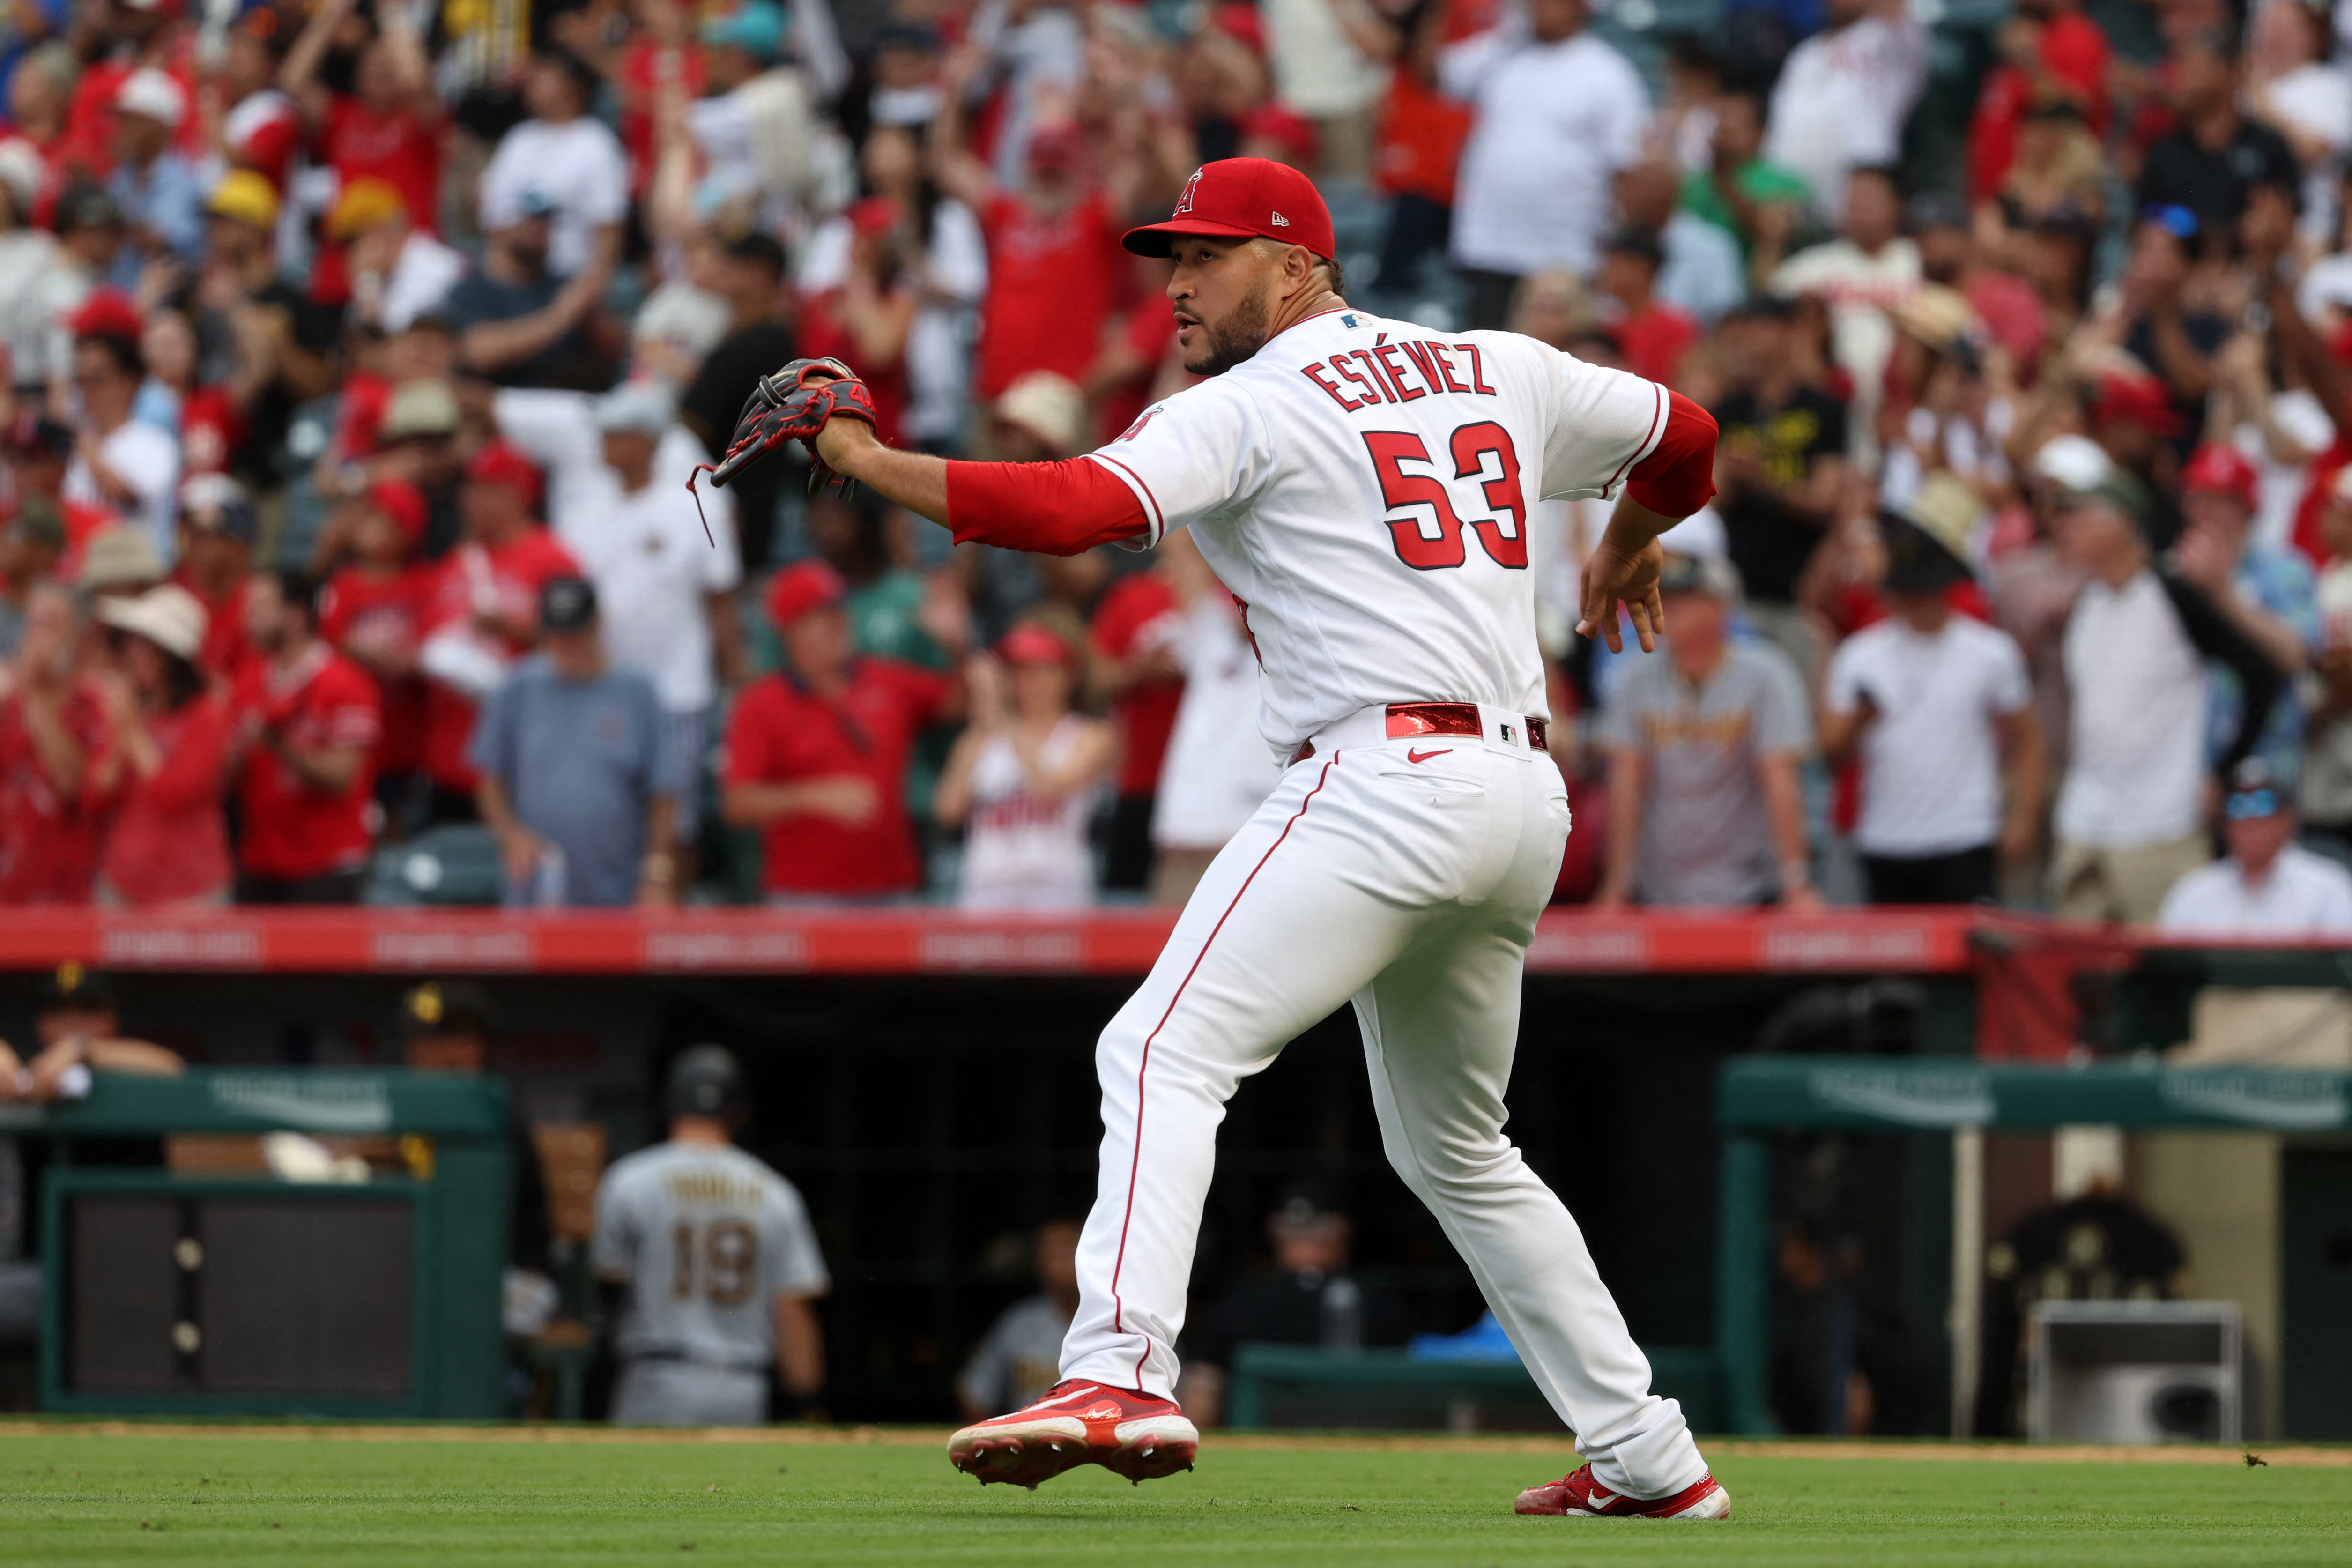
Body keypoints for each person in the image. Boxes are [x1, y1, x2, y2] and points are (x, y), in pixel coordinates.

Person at [786, 156, 1730, 1516]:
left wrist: (868, 460)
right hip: (1519, 797)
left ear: (1296, 268)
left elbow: (1070, 513)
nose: (1176, 283)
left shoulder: (1250, 402)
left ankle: (1117, 1366)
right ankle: (1645, 1453)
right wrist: (1629, 542)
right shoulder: (1493, 363)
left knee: (1159, 1046)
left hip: (1382, 777)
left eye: (1208, 256)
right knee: (1456, 1147)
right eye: (1170, 257)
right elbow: (1686, 439)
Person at [490, 380, 745, 847]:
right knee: (611, 814)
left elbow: (722, 605)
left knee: (674, 825)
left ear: (649, 440)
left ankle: (669, 915)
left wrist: (735, 690)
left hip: (676, 691)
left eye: (617, 432)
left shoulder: (697, 504)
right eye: (602, 432)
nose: (603, 441)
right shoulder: (583, 511)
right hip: (600, 691)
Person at [2050, 471, 2284, 922]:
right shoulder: (2086, 603)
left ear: (2118, 523)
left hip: (2159, 822)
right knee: (2072, 968)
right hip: (2083, 819)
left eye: (2076, 519)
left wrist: (2223, 769)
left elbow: (2262, 674)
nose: (2063, 530)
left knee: (2164, 970)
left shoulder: (2172, 594)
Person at [1820, 479, 2045, 904]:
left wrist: (2022, 818)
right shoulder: (1859, 657)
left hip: (1966, 835)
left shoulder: (1990, 652)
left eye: (1921, 590)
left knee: (1966, 966)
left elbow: (2028, 736)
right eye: (1905, 591)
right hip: (1885, 838)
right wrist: (1859, 721)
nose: (1913, 601)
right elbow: (1831, 754)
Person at [592, 1045, 829, 1427]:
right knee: (726, 1490)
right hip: (741, 1384)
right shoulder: (774, 1191)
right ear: (739, 1110)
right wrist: (808, 1402)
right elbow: (792, 1307)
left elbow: (607, 1286)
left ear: (669, 1103)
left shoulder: (628, 1179)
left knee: (636, 1490)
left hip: (655, 1374)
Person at [720, 561, 957, 904]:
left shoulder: (885, 678)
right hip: (805, 900)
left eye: (839, 611)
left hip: (892, 893)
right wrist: (812, 797)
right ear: (791, 631)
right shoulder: (760, 704)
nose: (838, 623)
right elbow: (737, 804)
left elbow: (959, 704)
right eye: (821, 615)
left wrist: (955, 644)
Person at [1595, 552, 1819, 909]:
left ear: (1719, 607)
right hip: (1659, 888)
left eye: (1681, 599)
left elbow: (1780, 782)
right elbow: (1626, 785)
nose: (1665, 608)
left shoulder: (1767, 675)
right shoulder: (1635, 678)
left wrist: (1796, 883)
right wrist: (1616, 886)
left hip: (1751, 887)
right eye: (1661, 598)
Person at [469, 577, 682, 909]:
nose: (566, 643)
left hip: (619, 889)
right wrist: (510, 835)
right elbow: (489, 779)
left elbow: (663, 794)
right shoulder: (517, 688)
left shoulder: (638, 692)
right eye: (557, 633)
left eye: (576, 632)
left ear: (597, 624)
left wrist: (656, 875)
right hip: (534, 890)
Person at [1441, 0, 1648, 330]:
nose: (1541, 8)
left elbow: (1626, 168)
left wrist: (1612, 248)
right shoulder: (1501, 53)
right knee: (1485, 361)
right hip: (1491, 245)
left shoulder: (1608, 72)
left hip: (1565, 253)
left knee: (1556, 362)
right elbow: (1435, 75)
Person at [1176, 1187, 1410, 1428]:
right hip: (1364, 1448)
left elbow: (1201, 1399)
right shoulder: (1381, 1306)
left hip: (1261, 1455)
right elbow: (1423, 1398)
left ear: (1274, 1229)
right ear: (1342, 1231)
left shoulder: (1238, 1305)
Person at [935, 621, 1114, 911]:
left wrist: (1004, 720)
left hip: (1056, 889)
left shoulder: (1090, 735)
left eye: (1037, 670)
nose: (1025, 681)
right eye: (1016, 672)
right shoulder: (981, 738)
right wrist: (985, 726)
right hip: (988, 887)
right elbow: (948, 810)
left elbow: (1050, 790)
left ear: (1067, 675)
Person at [232, 569, 382, 904]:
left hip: (327, 865)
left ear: (297, 614)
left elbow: (342, 777)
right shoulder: (250, 676)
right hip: (261, 861)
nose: (250, 618)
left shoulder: (345, 682)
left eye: (262, 608)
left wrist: (279, 744)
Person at [88, 583, 232, 907]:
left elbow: (174, 795)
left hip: (190, 892)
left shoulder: (206, 715)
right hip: (122, 883)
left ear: (172, 658)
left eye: (146, 647)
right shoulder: (127, 708)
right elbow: (96, 796)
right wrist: (119, 739)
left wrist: (132, 735)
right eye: (131, 645)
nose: (132, 656)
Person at [678, 231, 796, 572]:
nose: (719, 270)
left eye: (731, 264)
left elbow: (692, 428)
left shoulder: (756, 347)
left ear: (759, 273)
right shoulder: (767, 338)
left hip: (734, 506)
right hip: (742, 502)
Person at [1762, 0, 1927, 227]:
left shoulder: (1885, 38)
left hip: (1861, 195)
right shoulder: (1805, 52)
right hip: (1794, 201)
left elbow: (1896, 12)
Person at [476, 47, 628, 286]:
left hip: (568, 279)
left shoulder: (596, 144)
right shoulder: (519, 139)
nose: (533, 82)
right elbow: (490, 212)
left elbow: (608, 227)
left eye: (545, 75)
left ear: (574, 87)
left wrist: (595, 286)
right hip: (511, 276)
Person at [2137, 28, 2300, 243]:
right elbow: (2146, 221)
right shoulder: (2165, 152)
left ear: (2229, 72)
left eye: (2194, 69)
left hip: (2248, 268)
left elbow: (2289, 219)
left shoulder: (2268, 147)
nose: (2183, 81)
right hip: (2179, 268)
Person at [2159, 760, 2352, 935]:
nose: (2250, 820)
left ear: (2289, 819)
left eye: (2264, 803)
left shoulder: (2328, 886)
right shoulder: (2193, 892)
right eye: (2236, 806)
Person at [0, 584, 105, 903]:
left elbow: (72, 783)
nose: (37, 637)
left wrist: (36, 698)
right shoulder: (8, 700)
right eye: (32, 624)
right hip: (9, 888)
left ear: (75, 636)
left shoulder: (93, 701)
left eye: (50, 625)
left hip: (65, 897)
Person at [62, 291, 178, 561]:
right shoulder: (85, 440)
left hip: (136, 579)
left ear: (131, 379)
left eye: (97, 379)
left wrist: (90, 452)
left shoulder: (155, 441)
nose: (87, 390)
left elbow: (126, 495)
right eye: (81, 380)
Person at [957, 1218, 1084, 1424]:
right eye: (1047, 1250)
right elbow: (975, 1392)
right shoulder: (1019, 1322)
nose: (1055, 1260)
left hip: (1093, 1442)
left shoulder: (1117, 1318)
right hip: (1027, 1443)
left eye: (1065, 1248)